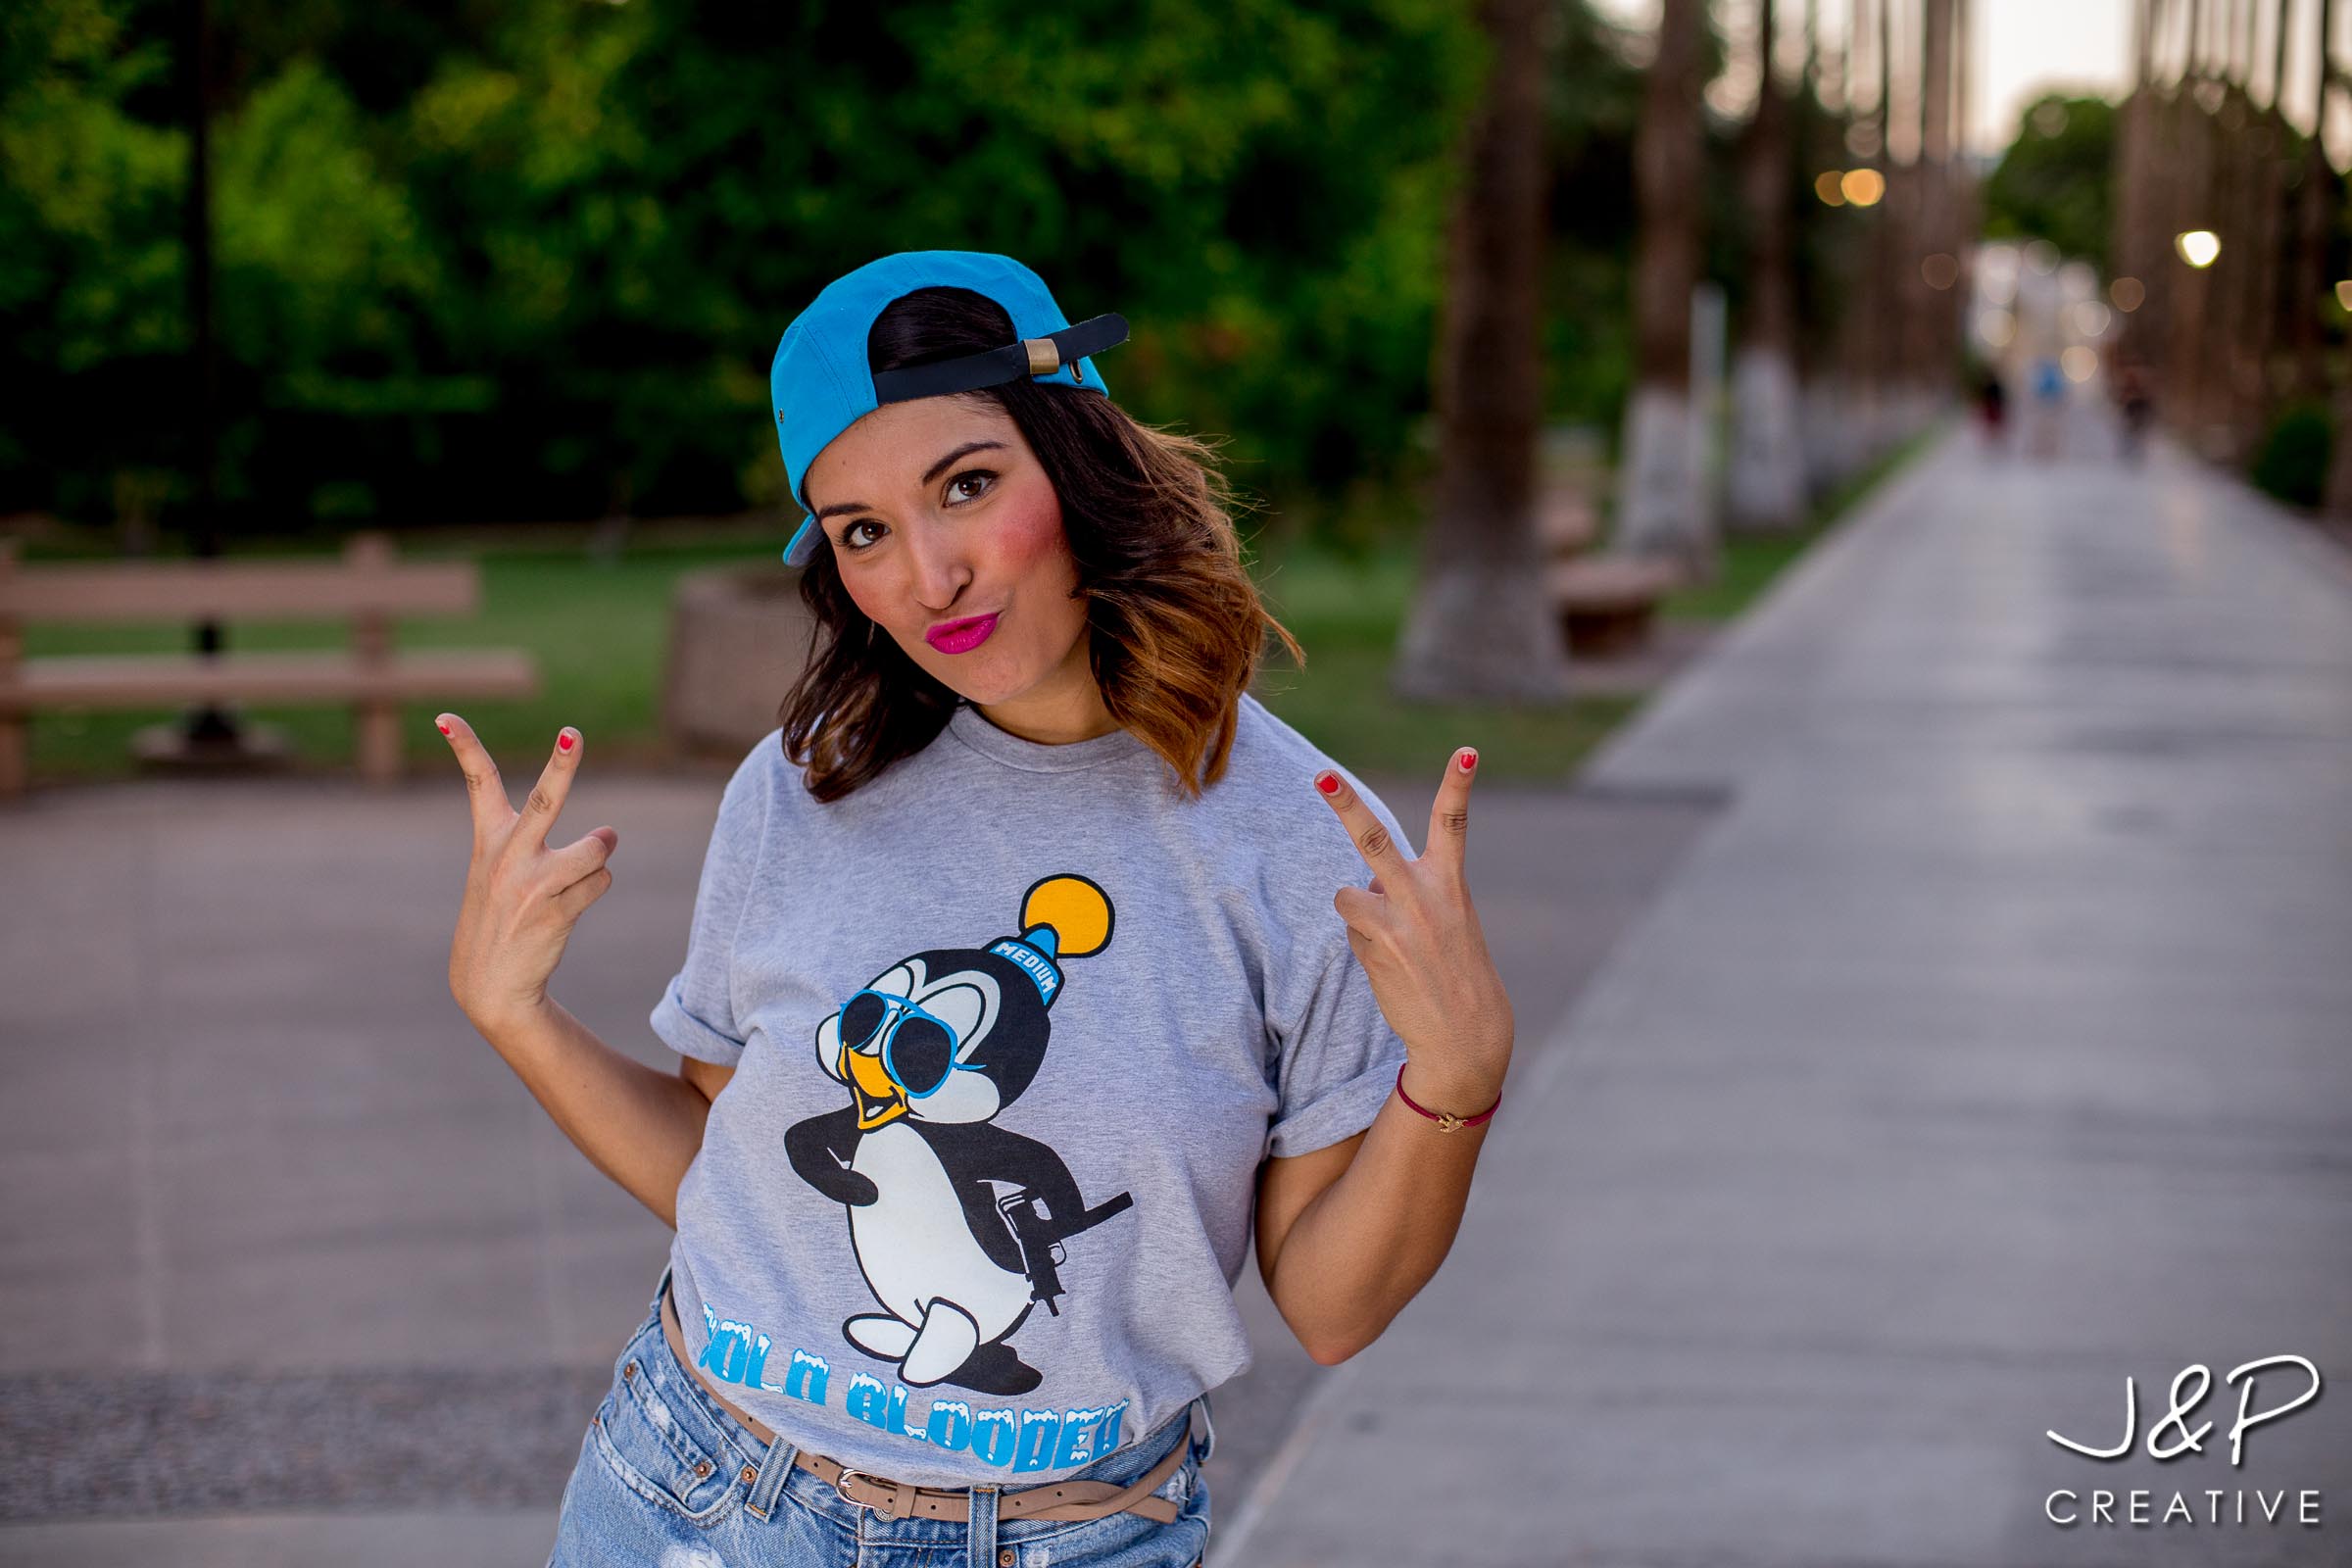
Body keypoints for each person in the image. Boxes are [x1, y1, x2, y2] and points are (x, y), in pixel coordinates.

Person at [437, 250, 1517, 1568]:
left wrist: (1455, 1080)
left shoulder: (1299, 842)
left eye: (967, 485)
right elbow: (726, 1162)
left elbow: (1333, 1308)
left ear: (1079, 461)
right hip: (699, 1498)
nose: (930, 576)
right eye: (863, 532)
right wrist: (514, 1014)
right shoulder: (806, 782)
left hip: (1072, 1539)